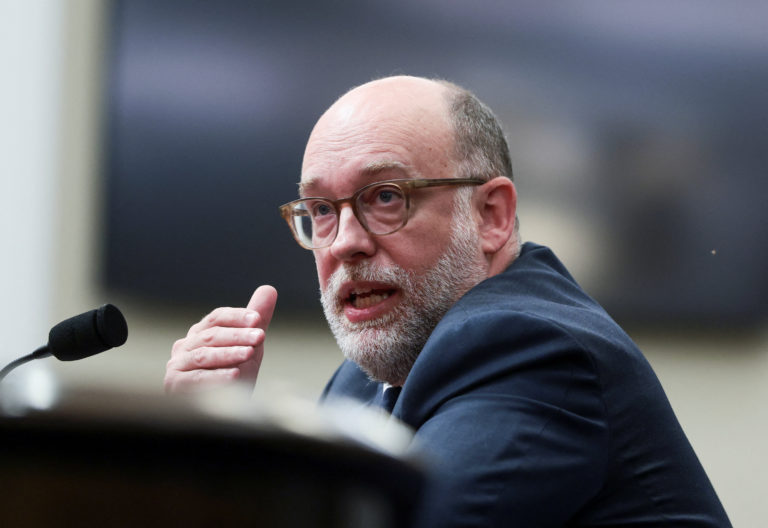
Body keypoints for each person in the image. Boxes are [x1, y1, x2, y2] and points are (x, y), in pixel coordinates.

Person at [164, 76, 731, 526]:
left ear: (491, 215)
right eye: (321, 210)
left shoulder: (532, 349)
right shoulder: (363, 379)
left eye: (386, 197)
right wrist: (207, 443)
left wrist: (211, 473)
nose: (343, 243)